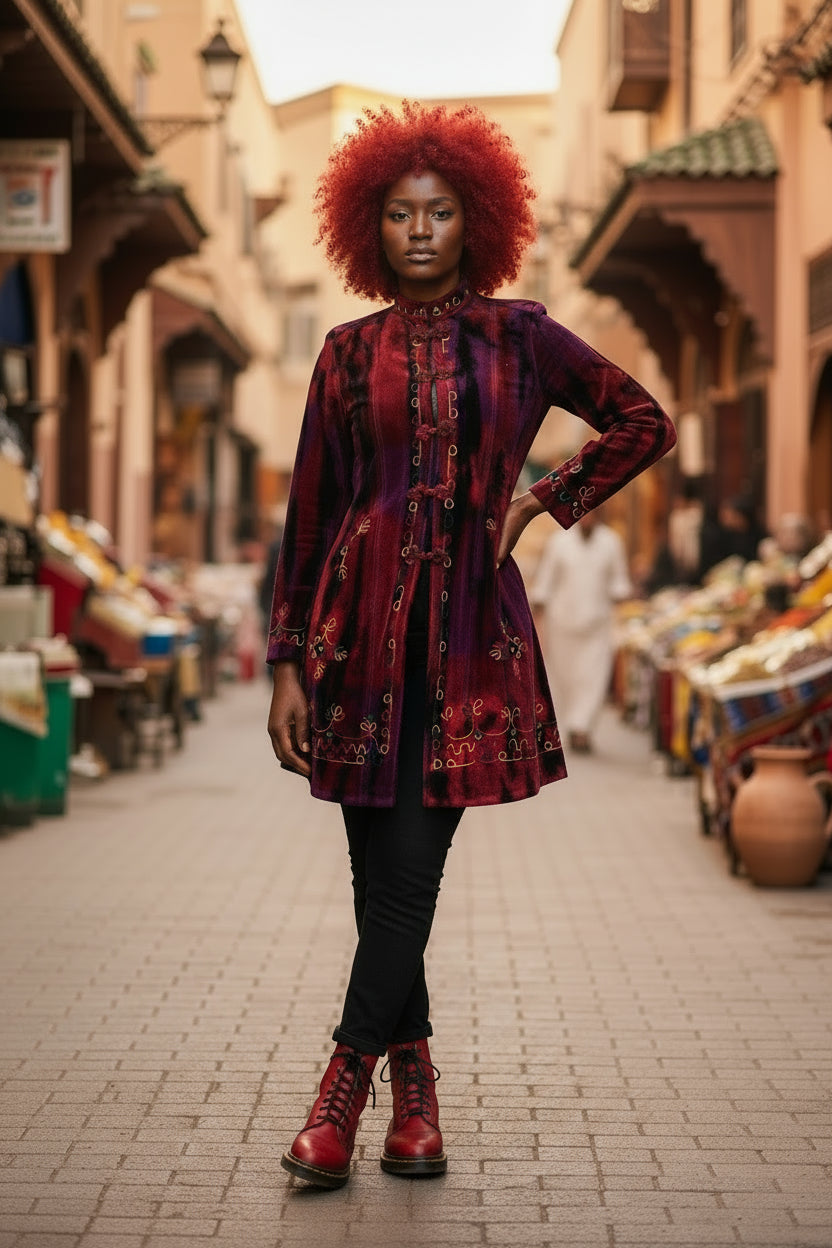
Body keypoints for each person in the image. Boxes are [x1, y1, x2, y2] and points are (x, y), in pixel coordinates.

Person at [265, 101, 676, 1190]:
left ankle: (338, 1097)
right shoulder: (345, 355)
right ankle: (418, 1102)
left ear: (474, 220)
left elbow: (643, 421)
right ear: (369, 223)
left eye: (440, 211)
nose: (418, 230)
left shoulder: (522, 337)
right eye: (400, 212)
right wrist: (284, 666)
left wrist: (543, 499)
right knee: (379, 887)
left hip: (465, 655)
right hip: (352, 653)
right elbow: (309, 519)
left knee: (406, 878)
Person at [530, 508, 633, 754]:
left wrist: (623, 598)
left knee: (593, 678)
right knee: (566, 678)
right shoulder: (559, 542)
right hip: (561, 623)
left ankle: (581, 728)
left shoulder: (611, 542)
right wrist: (537, 610)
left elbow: (618, 581)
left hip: (597, 624)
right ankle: (572, 724)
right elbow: (546, 580)